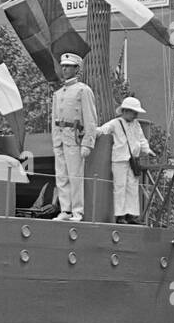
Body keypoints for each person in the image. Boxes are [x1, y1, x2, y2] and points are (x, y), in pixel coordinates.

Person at [50, 52, 99, 222]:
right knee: (61, 175)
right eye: (63, 66)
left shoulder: (83, 90)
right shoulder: (58, 93)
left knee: (75, 176)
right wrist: (55, 140)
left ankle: (77, 211)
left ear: (76, 69)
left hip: (75, 138)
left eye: (68, 66)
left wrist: (88, 143)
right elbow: (54, 120)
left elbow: (91, 118)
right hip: (61, 138)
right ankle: (65, 209)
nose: (64, 69)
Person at [94, 96, 153, 225]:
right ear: (125, 111)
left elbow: (142, 139)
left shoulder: (136, 125)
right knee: (120, 187)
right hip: (120, 159)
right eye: (134, 112)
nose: (136, 115)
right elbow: (103, 130)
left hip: (132, 160)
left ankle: (131, 215)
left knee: (132, 187)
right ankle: (120, 215)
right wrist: (91, 132)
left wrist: (147, 150)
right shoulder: (115, 123)